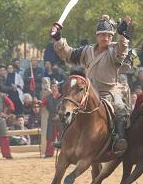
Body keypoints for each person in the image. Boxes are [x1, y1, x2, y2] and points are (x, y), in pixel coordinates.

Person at [51, 14, 132, 154]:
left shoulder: (115, 51)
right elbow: (69, 54)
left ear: (112, 37)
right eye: (102, 35)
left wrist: (123, 35)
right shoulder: (87, 51)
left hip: (109, 92)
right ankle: (65, 138)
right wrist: (58, 39)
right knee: (66, 107)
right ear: (97, 36)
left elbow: (122, 49)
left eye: (108, 35)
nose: (105, 38)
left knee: (120, 108)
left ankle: (119, 140)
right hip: (88, 92)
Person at [41, 81, 63, 157]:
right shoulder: (47, 98)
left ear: (58, 87)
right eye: (52, 86)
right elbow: (41, 104)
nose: (54, 88)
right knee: (50, 136)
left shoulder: (62, 97)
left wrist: (60, 115)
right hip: (51, 118)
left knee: (62, 136)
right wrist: (37, 103)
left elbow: (66, 106)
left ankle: (64, 152)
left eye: (55, 86)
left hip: (61, 118)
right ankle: (49, 153)